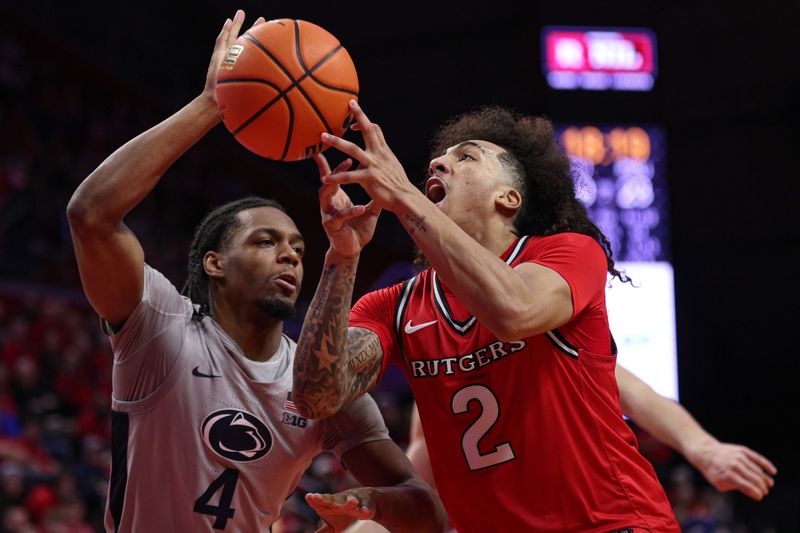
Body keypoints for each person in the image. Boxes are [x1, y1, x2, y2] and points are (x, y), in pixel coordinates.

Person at [65, 11, 445, 533]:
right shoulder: (159, 329)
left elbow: (424, 509)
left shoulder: (314, 381)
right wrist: (210, 106)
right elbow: (91, 216)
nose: (289, 254)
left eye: (296, 246)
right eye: (265, 242)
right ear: (215, 263)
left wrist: (369, 505)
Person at [292, 102, 681, 531]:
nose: (438, 162)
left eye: (466, 156)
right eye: (441, 158)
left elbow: (515, 311)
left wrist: (402, 195)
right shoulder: (394, 307)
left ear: (508, 197)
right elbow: (317, 397)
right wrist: (342, 259)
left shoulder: (567, 253)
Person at [345, 364, 778, 532]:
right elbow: (417, 490)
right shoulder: (437, 385)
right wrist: (363, 522)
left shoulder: (543, 327)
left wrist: (703, 447)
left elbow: (636, 393)